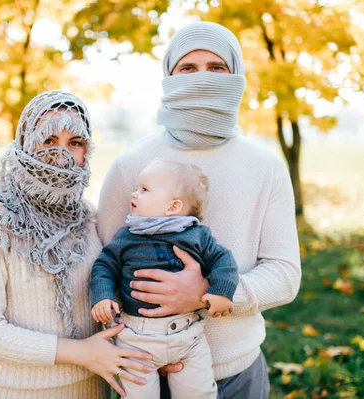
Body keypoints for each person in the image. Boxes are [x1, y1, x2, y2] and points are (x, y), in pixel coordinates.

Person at [97, 22, 302, 399]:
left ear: (235, 76)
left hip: (238, 373)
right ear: (168, 76)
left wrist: (206, 294)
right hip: (144, 371)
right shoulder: (132, 166)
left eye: (217, 67)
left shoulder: (266, 166)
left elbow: (285, 274)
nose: (202, 79)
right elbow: (104, 265)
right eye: (188, 69)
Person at [0, 91, 152, 399]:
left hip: (93, 388)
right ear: (25, 142)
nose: (61, 154)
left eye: (75, 142)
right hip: (21, 392)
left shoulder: (88, 216)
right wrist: (80, 353)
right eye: (48, 140)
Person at [91, 160, 239, 399]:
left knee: (199, 394)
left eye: (144, 190)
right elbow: (104, 266)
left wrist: (221, 292)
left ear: (173, 207)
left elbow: (224, 261)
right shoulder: (127, 236)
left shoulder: (196, 235)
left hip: (187, 336)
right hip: (136, 340)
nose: (134, 193)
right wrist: (103, 295)